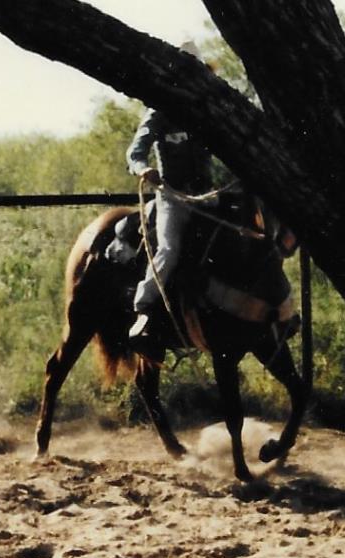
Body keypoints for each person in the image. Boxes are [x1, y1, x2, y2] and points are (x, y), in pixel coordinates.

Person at [125, 41, 214, 339]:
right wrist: (143, 169)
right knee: (170, 249)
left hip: (207, 195)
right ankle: (144, 306)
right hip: (172, 197)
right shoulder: (159, 112)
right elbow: (135, 152)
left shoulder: (209, 110)